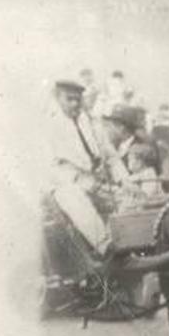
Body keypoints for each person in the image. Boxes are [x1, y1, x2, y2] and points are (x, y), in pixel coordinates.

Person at [46, 79, 114, 254]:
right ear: (57, 98)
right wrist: (88, 183)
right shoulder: (51, 126)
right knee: (73, 198)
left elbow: (108, 154)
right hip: (66, 185)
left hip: (96, 183)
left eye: (78, 99)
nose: (75, 104)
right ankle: (106, 247)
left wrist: (122, 180)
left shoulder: (89, 122)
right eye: (69, 99)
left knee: (128, 201)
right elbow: (55, 169)